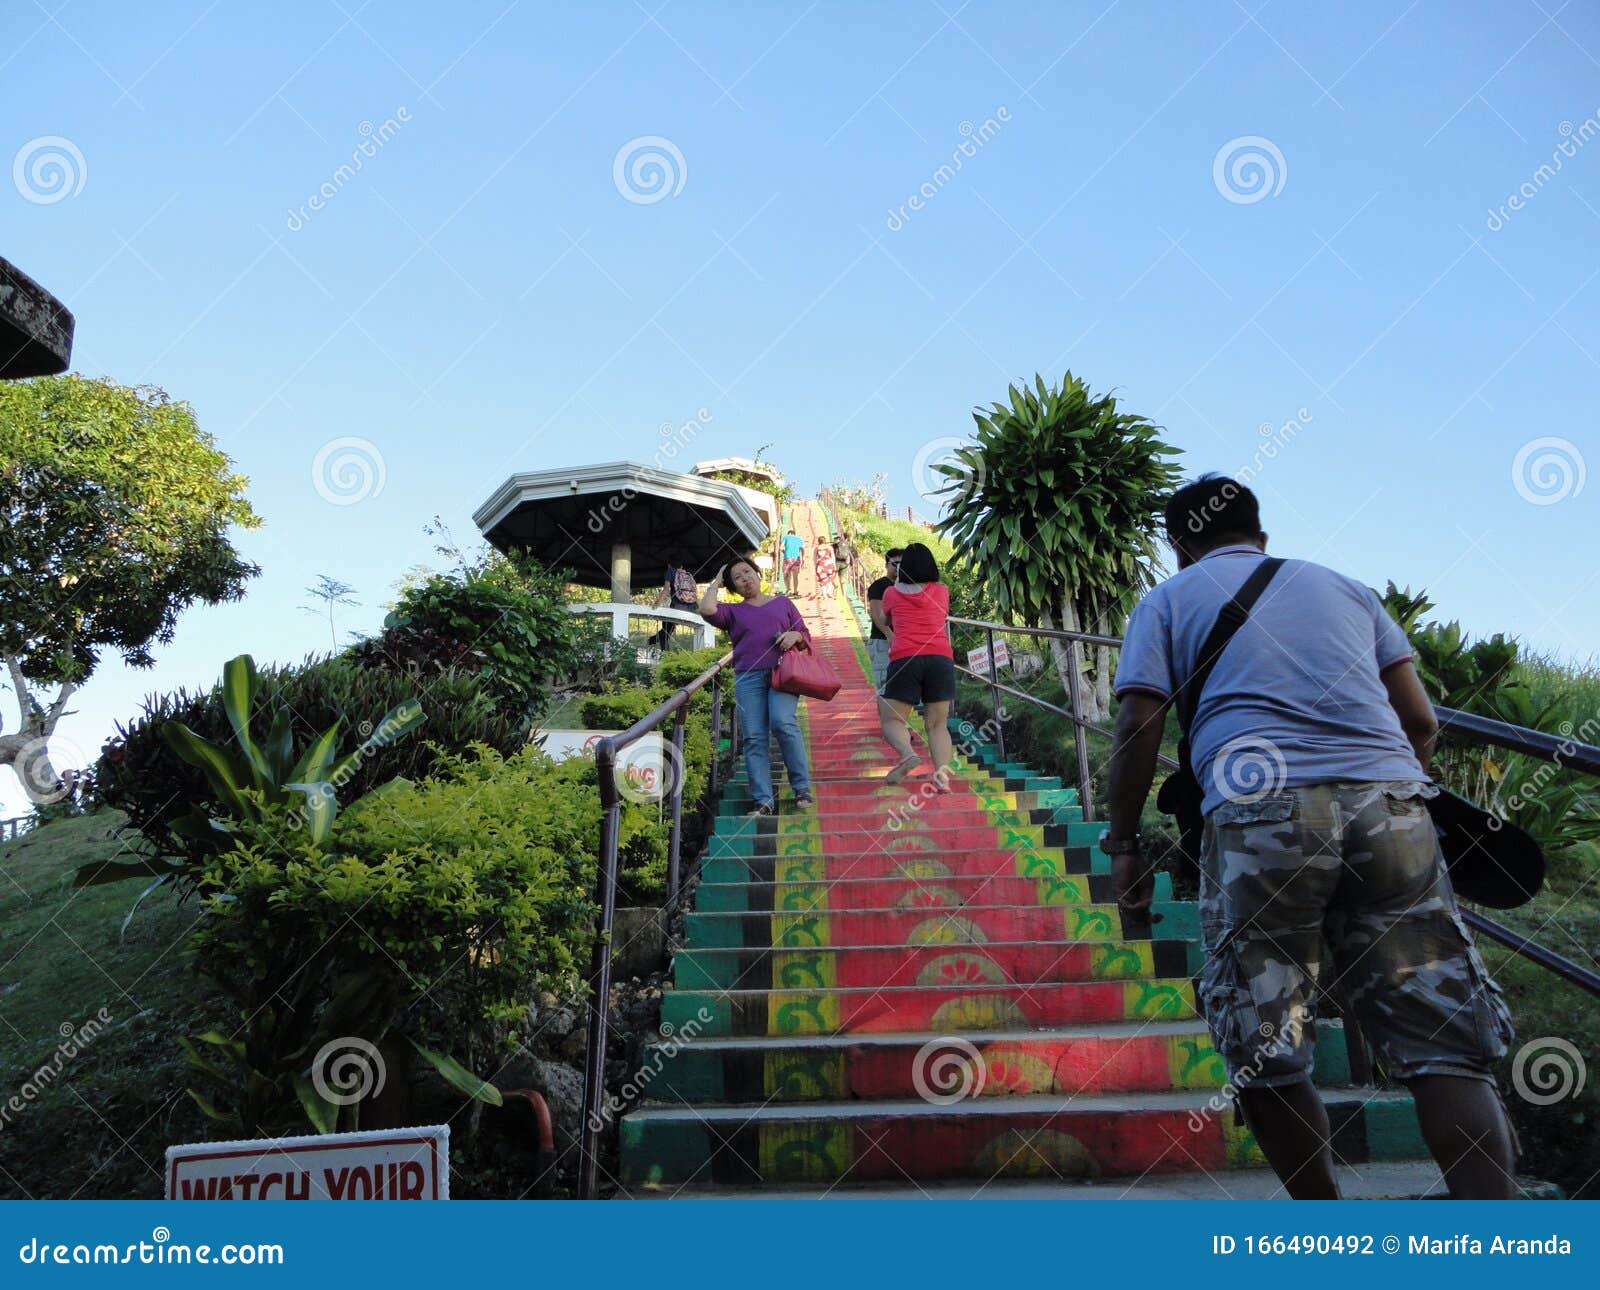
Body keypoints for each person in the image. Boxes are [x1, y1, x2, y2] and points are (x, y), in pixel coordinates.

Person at [1105, 474, 1516, 1200]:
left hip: (1260, 814)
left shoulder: (1167, 600)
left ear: (1179, 545)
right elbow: (1420, 723)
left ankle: (1326, 1231)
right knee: (1441, 1042)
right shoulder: (1348, 589)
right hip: (1392, 806)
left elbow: (1141, 720)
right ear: (1261, 537)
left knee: (1265, 1043)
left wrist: (1127, 843)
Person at [699, 555, 814, 815]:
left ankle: (802, 788)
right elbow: (706, 609)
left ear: (757, 573)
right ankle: (763, 800)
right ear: (733, 587)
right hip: (748, 677)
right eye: (737, 578)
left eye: (747, 572)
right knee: (754, 738)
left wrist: (794, 635)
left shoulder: (783, 603)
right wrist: (716, 582)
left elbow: (805, 635)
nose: (744, 579)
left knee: (783, 722)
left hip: (783, 673)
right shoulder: (733, 612)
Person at [878, 542, 955, 785]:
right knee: (937, 724)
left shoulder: (891, 593)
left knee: (892, 719)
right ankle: (942, 776)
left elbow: (885, 619)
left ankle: (908, 755)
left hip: (905, 658)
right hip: (940, 658)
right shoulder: (941, 591)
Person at [865, 548, 903, 696]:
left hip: (903, 642)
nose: (899, 567)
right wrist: (890, 635)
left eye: (902, 563)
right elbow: (876, 613)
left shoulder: (908, 587)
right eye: (895, 563)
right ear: (887, 565)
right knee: (885, 686)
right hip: (883, 642)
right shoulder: (879, 586)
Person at [652, 554, 699, 650]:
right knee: (667, 629)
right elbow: (694, 593)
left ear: (669, 565)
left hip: (677, 606)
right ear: (682, 566)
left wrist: (657, 604)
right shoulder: (688, 575)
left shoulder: (670, 572)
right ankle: (653, 641)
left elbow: (665, 590)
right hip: (692, 607)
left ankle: (661, 650)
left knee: (666, 629)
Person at [780, 529, 804, 597]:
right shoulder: (799, 539)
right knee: (795, 576)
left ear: (789, 533)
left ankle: (788, 589)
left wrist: (785, 552)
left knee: (786, 575)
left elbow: (781, 547)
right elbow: (802, 549)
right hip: (796, 558)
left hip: (787, 558)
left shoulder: (786, 537)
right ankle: (795, 591)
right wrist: (803, 558)